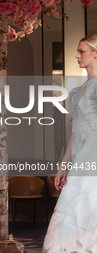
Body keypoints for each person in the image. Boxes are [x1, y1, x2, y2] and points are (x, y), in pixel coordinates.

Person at [43, 35, 97, 252]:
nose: (76, 56)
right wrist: (63, 166)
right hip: (80, 161)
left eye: (81, 51)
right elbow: (76, 133)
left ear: (96, 53)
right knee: (76, 214)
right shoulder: (77, 91)